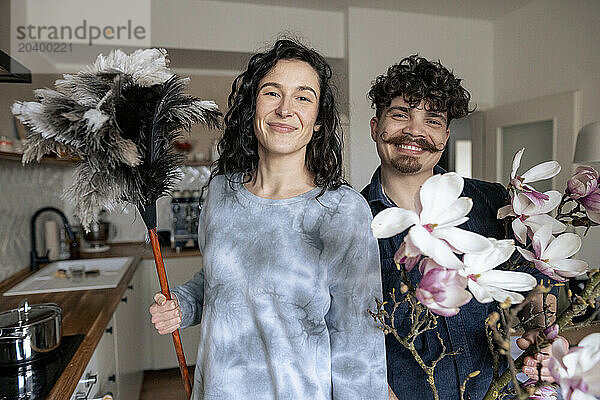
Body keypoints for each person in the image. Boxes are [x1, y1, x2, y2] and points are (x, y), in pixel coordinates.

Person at [149, 39, 388, 400]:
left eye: (303, 97)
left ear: (319, 121)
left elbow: (359, 341)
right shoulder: (220, 193)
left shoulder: (342, 211)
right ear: (253, 106)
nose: (285, 109)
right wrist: (182, 303)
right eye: (272, 93)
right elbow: (217, 280)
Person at [360, 55, 558, 400]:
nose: (414, 130)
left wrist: (541, 333)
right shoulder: (352, 221)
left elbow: (535, 289)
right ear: (376, 126)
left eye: (432, 120)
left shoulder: (493, 203)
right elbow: (354, 343)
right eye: (400, 114)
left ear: (446, 135)